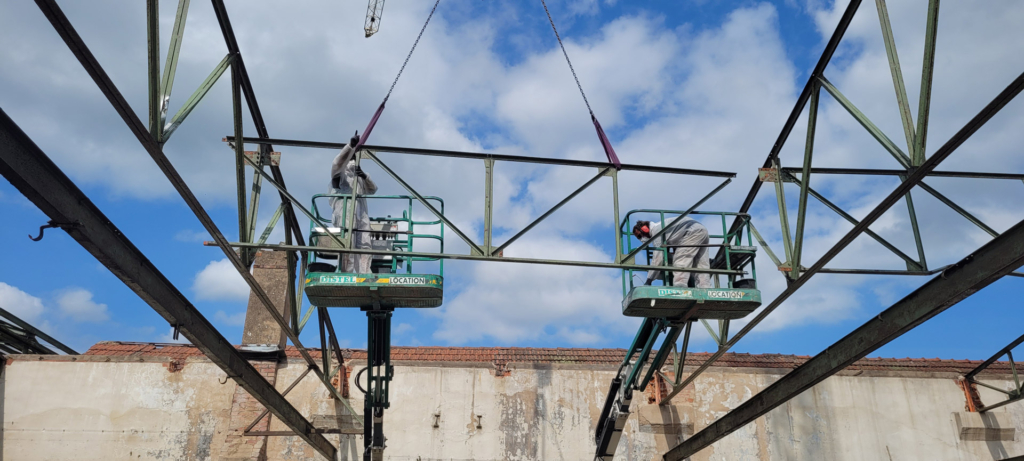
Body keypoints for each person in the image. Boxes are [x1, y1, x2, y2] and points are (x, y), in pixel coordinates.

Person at [329, 131, 378, 273]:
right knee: (347, 243)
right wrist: (350, 146)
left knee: (365, 243)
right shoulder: (341, 174)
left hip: (360, 213)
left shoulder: (360, 177)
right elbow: (336, 164)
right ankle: (346, 273)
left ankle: (364, 273)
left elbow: (373, 189)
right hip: (345, 211)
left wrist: (364, 176)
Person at [633, 216, 711, 288]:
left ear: (644, 228)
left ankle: (680, 286)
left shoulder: (657, 231)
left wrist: (649, 280)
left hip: (691, 232)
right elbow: (677, 235)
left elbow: (657, 259)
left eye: (640, 236)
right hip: (702, 230)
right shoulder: (662, 225)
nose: (642, 239)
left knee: (680, 260)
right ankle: (705, 287)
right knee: (701, 264)